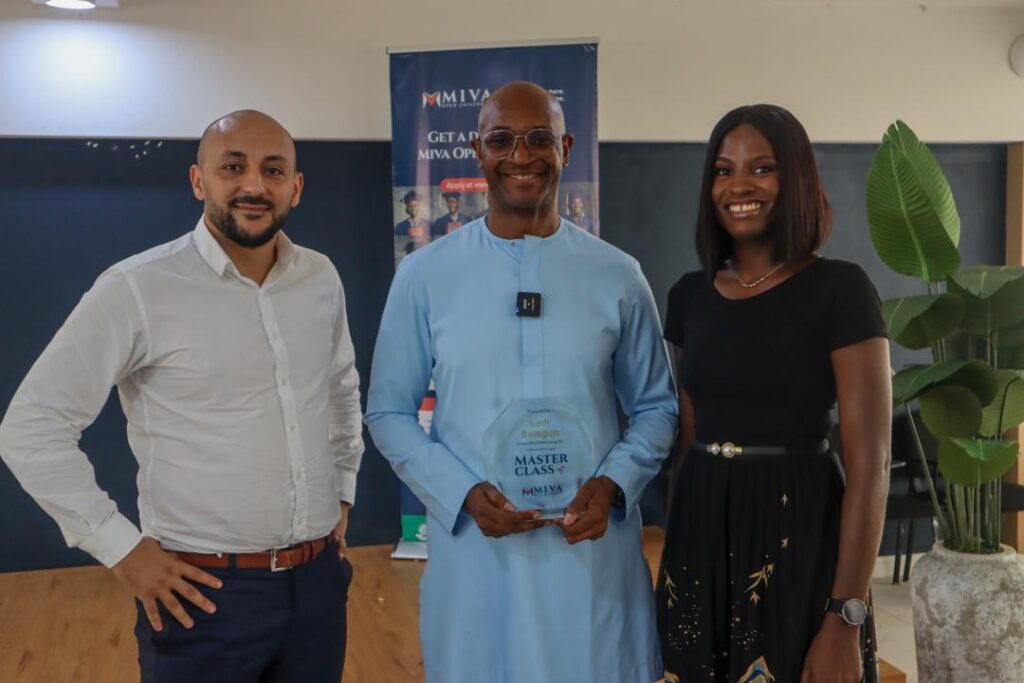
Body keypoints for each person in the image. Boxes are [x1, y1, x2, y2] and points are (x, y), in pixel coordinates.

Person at [0, 110, 363, 683]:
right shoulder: (138, 288)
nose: (253, 185)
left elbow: (341, 391)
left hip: (318, 584)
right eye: (232, 167)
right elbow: (31, 426)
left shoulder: (319, 278)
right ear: (199, 181)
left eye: (273, 170)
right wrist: (122, 549)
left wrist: (343, 490)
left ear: (295, 187)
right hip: (203, 597)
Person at [366, 81, 678, 683]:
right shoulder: (426, 276)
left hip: (588, 554)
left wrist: (615, 484)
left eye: (539, 139)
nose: (521, 155)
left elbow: (657, 408)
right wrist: (459, 492)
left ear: (564, 147)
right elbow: (387, 413)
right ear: (478, 152)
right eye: (501, 140)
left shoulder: (617, 275)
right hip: (478, 556)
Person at [654, 104, 891, 683]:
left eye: (761, 168)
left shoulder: (839, 290)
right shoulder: (688, 296)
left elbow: (872, 465)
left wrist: (845, 616)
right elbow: (687, 437)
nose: (738, 186)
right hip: (701, 535)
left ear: (796, 179)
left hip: (799, 532)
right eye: (722, 169)